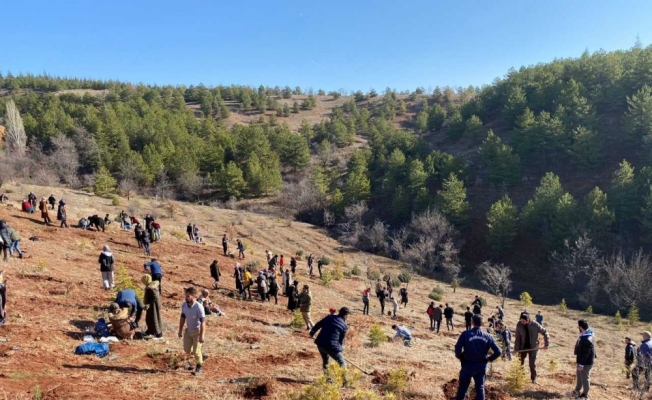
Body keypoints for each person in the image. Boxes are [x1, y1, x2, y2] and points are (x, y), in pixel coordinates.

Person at [453, 315, 502, 400]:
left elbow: (458, 349)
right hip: (481, 366)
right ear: (482, 323)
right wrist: (489, 359)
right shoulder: (488, 336)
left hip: (467, 365)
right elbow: (499, 351)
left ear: (472, 322)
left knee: (463, 388)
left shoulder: (465, 334)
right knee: (480, 388)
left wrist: (460, 357)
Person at [310, 307, 350, 384]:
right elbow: (340, 341)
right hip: (332, 347)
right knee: (342, 363)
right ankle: (345, 382)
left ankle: (328, 380)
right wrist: (340, 350)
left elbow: (319, 324)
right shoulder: (344, 326)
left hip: (320, 344)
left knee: (326, 361)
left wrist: (312, 332)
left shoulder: (329, 317)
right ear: (346, 315)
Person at [514, 312, 550, 384]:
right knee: (520, 362)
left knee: (532, 364)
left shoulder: (535, 325)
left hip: (533, 347)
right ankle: (520, 376)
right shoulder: (519, 325)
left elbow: (545, 332)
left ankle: (534, 378)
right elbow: (517, 337)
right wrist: (516, 348)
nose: (522, 322)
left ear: (528, 320)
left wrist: (546, 344)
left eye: (523, 321)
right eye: (521, 321)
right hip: (523, 347)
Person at [178, 287, 206, 376]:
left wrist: (202, 335)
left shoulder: (199, 307)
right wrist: (180, 330)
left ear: (194, 296)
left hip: (197, 331)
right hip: (188, 331)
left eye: (188, 296)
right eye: (185, 296)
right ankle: (201, 356)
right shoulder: (184, 305)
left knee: (196, 351)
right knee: (187, 350)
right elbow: (183, 318)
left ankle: (199, 367)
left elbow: (203, 322)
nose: (186, 298)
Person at [573, 319, 596, 399]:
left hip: (586, 362)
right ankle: (577, 390)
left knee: (585, 377)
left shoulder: (587, 338)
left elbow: (586, 353)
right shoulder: (583, 335)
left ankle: (585, 395)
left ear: (580, 327)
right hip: (581, 360)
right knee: (579, 376)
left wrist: (582, 364)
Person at [142, 274, 163, 340]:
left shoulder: (150, 288)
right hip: (152, 306)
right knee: (149, 319)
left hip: (153, 306)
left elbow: (155, 297)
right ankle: (150, 331)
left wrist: (148, 303)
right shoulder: (151, 286)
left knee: (154, 319)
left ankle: (158, 335)